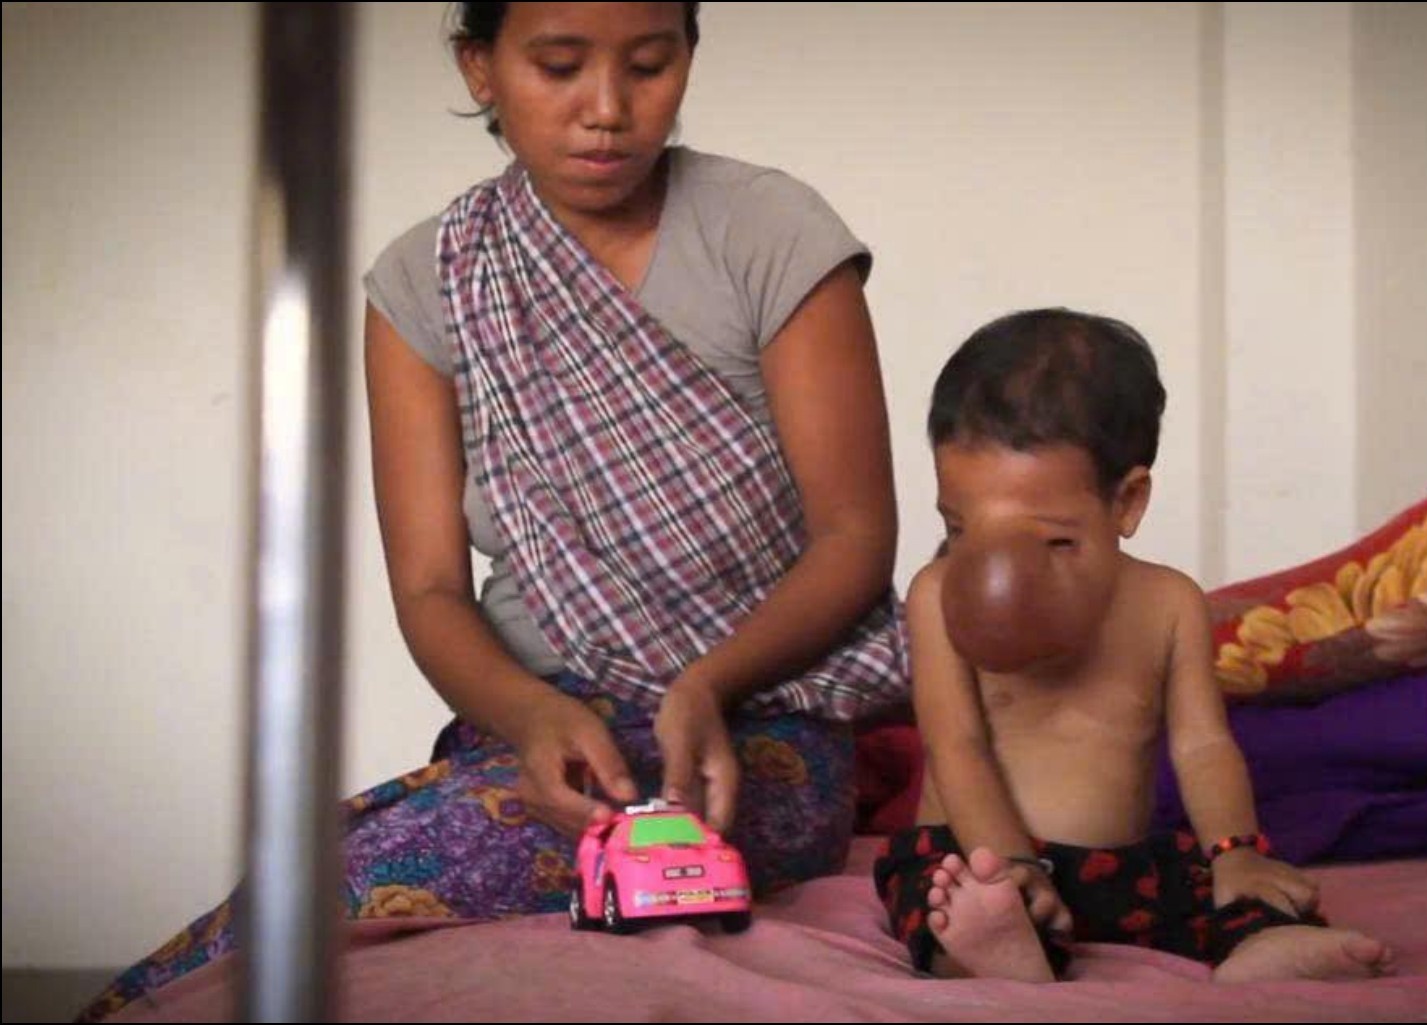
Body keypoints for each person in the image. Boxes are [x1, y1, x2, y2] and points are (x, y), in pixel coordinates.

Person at [78, 3, 907, 1019]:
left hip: (760, 721)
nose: (607, 108)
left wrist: (709, 682)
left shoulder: (769, 230)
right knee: (307, 870)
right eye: (559, 66)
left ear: (688, 57)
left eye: (649, 65)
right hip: (541, 716)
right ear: (481, 69)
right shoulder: (429, 279)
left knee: (371, 871)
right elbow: (431, 587)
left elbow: (855, 537)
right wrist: (530, 715)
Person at [873, 308, 1394, 983]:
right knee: (935, 890)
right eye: (960, 527)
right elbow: (956, 746)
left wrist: (1236, 851)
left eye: (1053, 539)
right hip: (977, 849)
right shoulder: (937, 595)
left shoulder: (1168, 603)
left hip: (1118, 867)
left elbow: (1203, 745)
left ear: (1127, 502)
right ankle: (989, 943)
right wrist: (1011, 865)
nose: (1000, 566)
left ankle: (1263, 944)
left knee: (1229, 885)